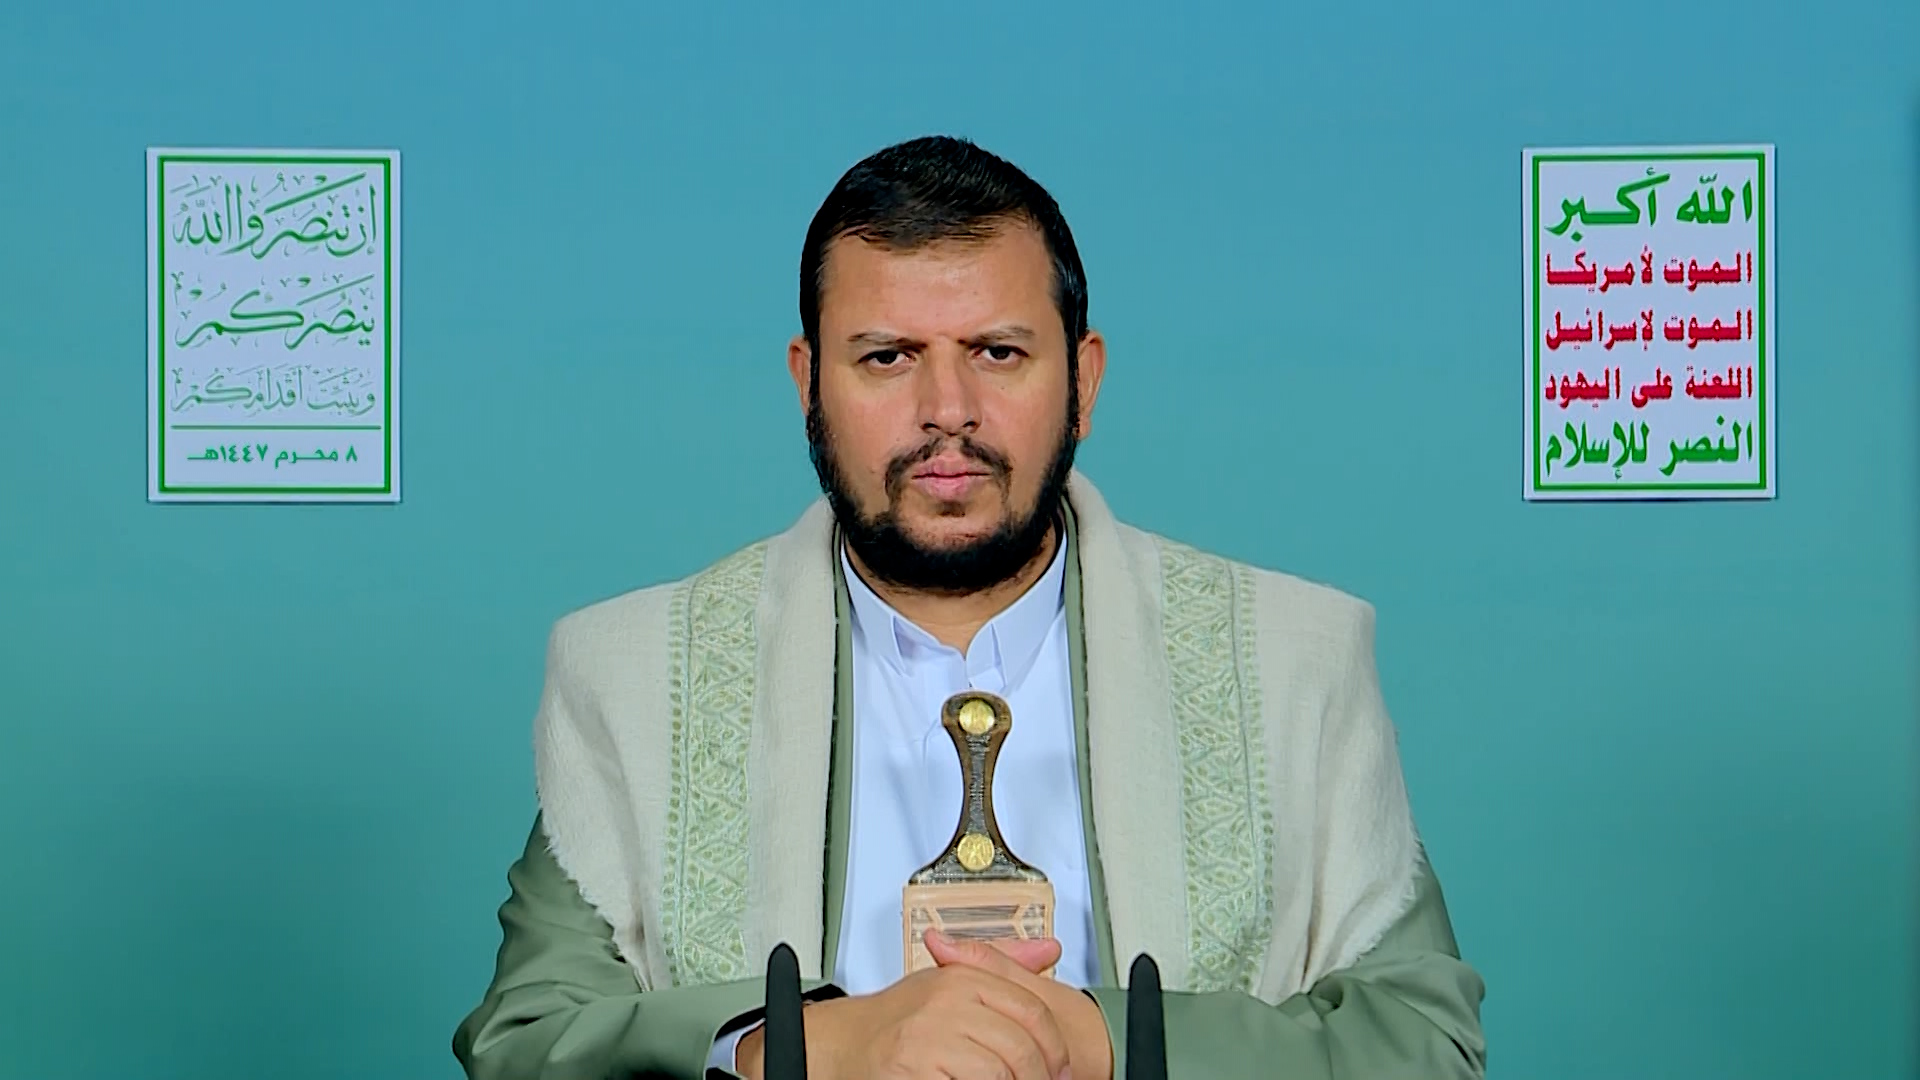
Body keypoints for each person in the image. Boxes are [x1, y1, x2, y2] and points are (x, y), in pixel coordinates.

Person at [452, 135, 1487, 1080]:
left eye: (997, 352)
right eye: (887, 357)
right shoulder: (636, 674)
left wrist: (1101, 1038)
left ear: (1083, 381)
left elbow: (1423, 1041)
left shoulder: (1291, 658)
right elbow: (527, 1043)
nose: (947, 410)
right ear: (808, 385)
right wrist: (804, 1046)